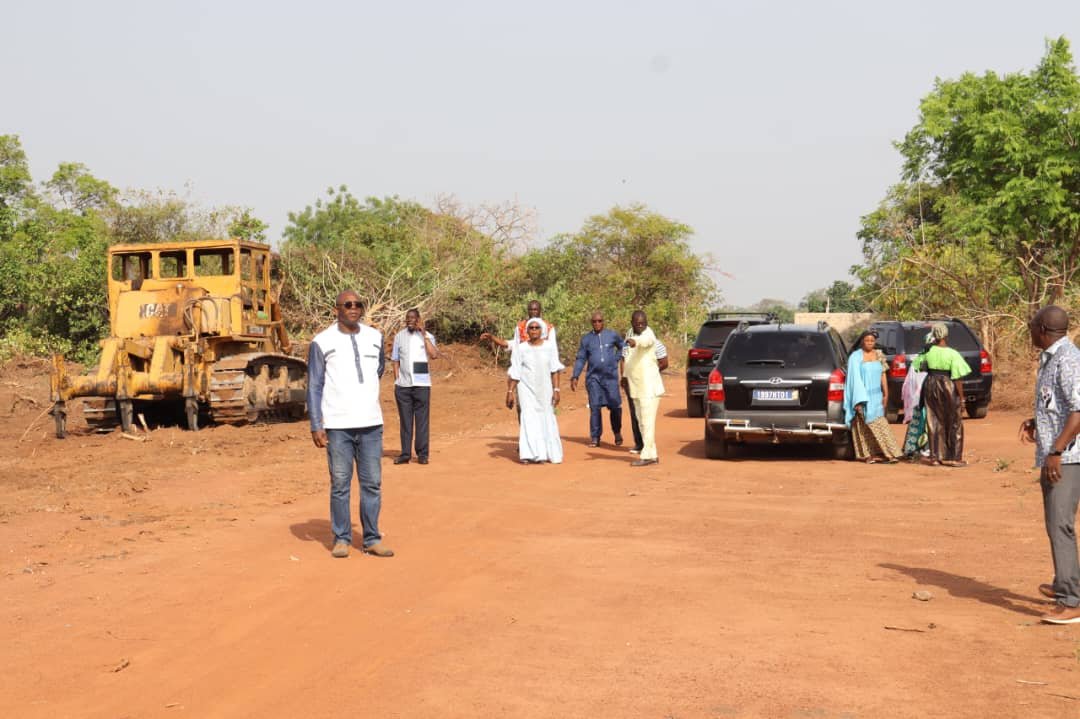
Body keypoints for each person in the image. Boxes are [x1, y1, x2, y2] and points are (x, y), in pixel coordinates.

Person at [307, 291, 394, 559]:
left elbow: (377, 370)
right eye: (348, 305)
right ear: (336, 310)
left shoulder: (374, 337)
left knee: (372, 484)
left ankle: (371, 538)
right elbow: (314, 384)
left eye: (358, 305)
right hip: (338, 425)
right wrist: (316, 423)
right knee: (341, 483)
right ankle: (342, 538)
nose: (354, 309)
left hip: (371, 423)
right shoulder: (322, 341)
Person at [1020, 305, 1080, 624]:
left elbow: (1079, 412)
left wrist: (1056, 450)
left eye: (1031, 325)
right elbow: (1057, 404)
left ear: (1043, 328)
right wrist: (1036, 421)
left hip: (1068, 458)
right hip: (1054, 454)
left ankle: (1072, 600)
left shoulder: (1069, 360)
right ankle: (1063, 584)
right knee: (1054, 525)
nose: (1029, 329)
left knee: (1061, 526)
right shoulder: (1050, 359)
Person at [909, 322, 970, 466]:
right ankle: (954, 457)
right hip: (948, 385)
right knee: (954, 421)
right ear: (946, 335)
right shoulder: (952, 353)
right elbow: (958, 377)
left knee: (933, 420)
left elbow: (917, 366)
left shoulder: (928, 352)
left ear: (934, 335)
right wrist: (961, 399)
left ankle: (935, 457)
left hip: (931, 385)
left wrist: (925, 352)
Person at [506, 318, 564, 464]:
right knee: (529, 418)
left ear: (542, 330)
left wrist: (556, 389)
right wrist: (510, 392)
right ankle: (529, 454)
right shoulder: (522, 348)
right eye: (531, 328)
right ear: (527, 331)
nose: (533, 330)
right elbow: (515, 371)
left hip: (545, 389)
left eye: (536, 328)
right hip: (526, 389)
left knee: (546, 417)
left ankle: (545, 453)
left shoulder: (549, 347)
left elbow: (555, 369)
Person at [843, 330, 902, 463]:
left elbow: (883, 374)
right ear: (862, 341)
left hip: (877, 395)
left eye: (872, 341)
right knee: (864, 427)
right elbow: (854, 379)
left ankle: (887, 453)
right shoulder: (855, 357)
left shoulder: (879, 355)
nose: (870, 343)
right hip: (862, 396)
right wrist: (858, 400)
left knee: (879, 423)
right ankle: (870, 455)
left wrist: (886, 394)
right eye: (867, 340)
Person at [391, 308, 439, 465]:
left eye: (413, 318)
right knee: (405, 421)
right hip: (403, 386)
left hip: (422, 384)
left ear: (419, 319)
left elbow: (433, 354)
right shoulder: (399, 336)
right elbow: (395, 360)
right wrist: (397, 379)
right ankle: (405, 454)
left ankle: (422, 454)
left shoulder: (427, 336)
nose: (410, 320)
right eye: (408, 318)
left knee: (422, 421)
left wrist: (424, 335)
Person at [570, 311, 625, 447]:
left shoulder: (612, 335)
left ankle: (617, 432)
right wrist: (575, 375)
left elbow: (623, 346)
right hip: (594, 378)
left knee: (615, 406)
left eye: (599, 321)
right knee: (595, 407)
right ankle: (595, 437)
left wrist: (616, 358)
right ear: (591, 323)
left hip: (610, 377)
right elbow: (581, 358)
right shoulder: (586, 339)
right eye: (594, 321)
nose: (597, 323)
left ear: (603, 322)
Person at [623, 310, 665, 466]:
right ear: (632, 322)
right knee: (641, 422)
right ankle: (651, 453)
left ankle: (647, 456)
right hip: (636, 387)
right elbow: (627, 358)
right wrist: (625, 377)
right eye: (638, 323)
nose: (641, 325)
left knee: (647, 422)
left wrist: (635, 342)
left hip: (648, 388)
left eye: (643, 322)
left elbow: (645, 341)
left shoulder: (648, 335)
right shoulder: (629, 333)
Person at [621, 336, 668, 454]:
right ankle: (639, 444)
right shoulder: (628, 344)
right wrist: (624, 377)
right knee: (635, 414)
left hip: (648, 385)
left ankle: (649, 447)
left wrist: (649, 373)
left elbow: (664, 362)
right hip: (632, 383)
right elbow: (623, 360)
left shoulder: (655, 343)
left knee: (646, 416)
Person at [481, 299, 559, 357]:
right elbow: (514, 344)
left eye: (535, 310)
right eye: (530, 310)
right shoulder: (521, 326)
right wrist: (492, 337)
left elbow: (552, 349)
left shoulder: (549, 328)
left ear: (540, 311)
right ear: (528, 311)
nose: (533, 312)